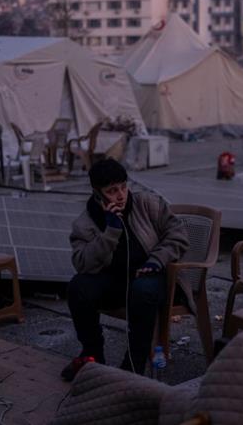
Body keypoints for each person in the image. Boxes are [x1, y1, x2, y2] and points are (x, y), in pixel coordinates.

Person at [61, 158, 189, 382]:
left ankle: (133, 364)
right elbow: (82, 264)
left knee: (142, 291)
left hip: (151, 277)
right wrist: (111, 231)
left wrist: (156, 260)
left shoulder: (148, 204)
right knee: (78, 287)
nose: (121, 195)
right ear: (97, 194)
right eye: (112, 191)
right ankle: (92, 354)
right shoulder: (85, 223)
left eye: (123, 187)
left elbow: (178, 235)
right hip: (115, 282)